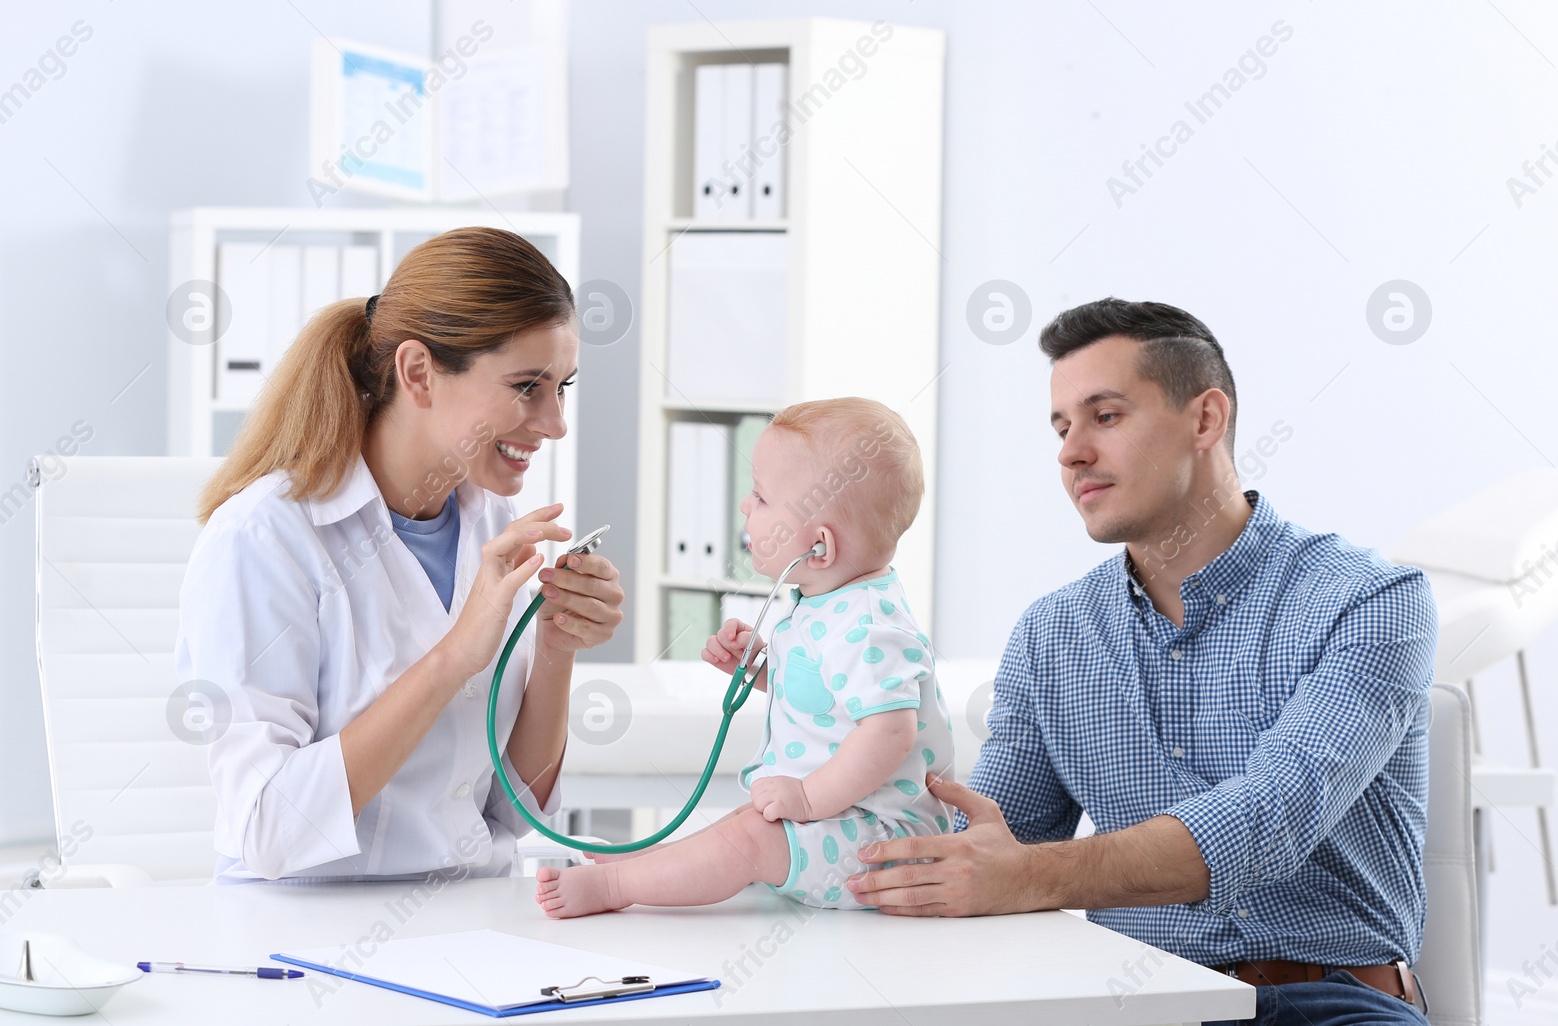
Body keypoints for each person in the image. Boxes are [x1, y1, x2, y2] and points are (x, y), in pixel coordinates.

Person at [848, 299, 1437, 1023]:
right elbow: (986, 846)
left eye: (1105, 415)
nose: (1070, 452)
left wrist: (1024, 875)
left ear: (1205, 419)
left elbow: (1266, 824)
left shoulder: (1370, 599)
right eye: (1062, 427)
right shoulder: (1052, 634)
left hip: (1324, 1000)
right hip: (1125, 1001)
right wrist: (819, 718)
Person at [176, 227, 624, 883]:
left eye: (564, 387)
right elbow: (266, 829)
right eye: (528, 386)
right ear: (418, 373)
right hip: (304, 941)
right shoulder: (264, 539)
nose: (555, 422)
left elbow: (514, 811)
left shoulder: (490, 525)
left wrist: (556, 645)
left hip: (472, 920)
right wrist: (453, 658)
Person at [535, 398, 954, 918]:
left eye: (760, 497)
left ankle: (616, 887)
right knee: (744, 824)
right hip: (841, 823)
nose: (744, 507)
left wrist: (807, 799)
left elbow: (890, 732)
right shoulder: (827, 601)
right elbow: (830, 699)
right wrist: (760, 671)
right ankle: (658, 863)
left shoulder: (871, 625)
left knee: (750, 837)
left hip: (884, 847)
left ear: (818, 548)